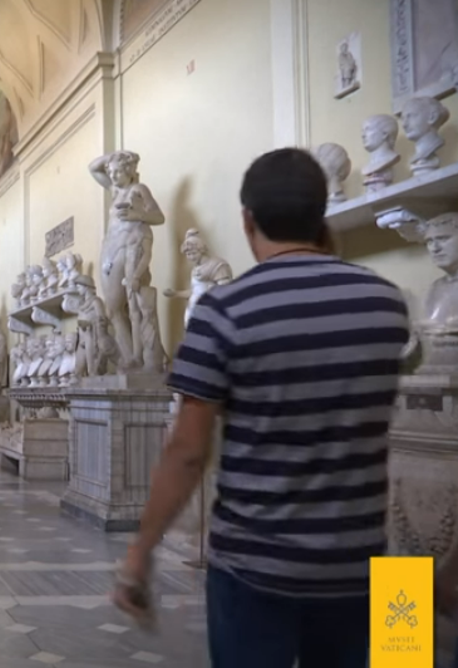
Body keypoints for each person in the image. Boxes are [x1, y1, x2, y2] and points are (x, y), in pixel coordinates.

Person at [113, 148, 411, 668]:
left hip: (254, 565)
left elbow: (187, 452)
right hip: (370, 565)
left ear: (247, 220)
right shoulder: (384, 302)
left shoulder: (225, 312)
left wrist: (139, 554)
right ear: (321, 215)